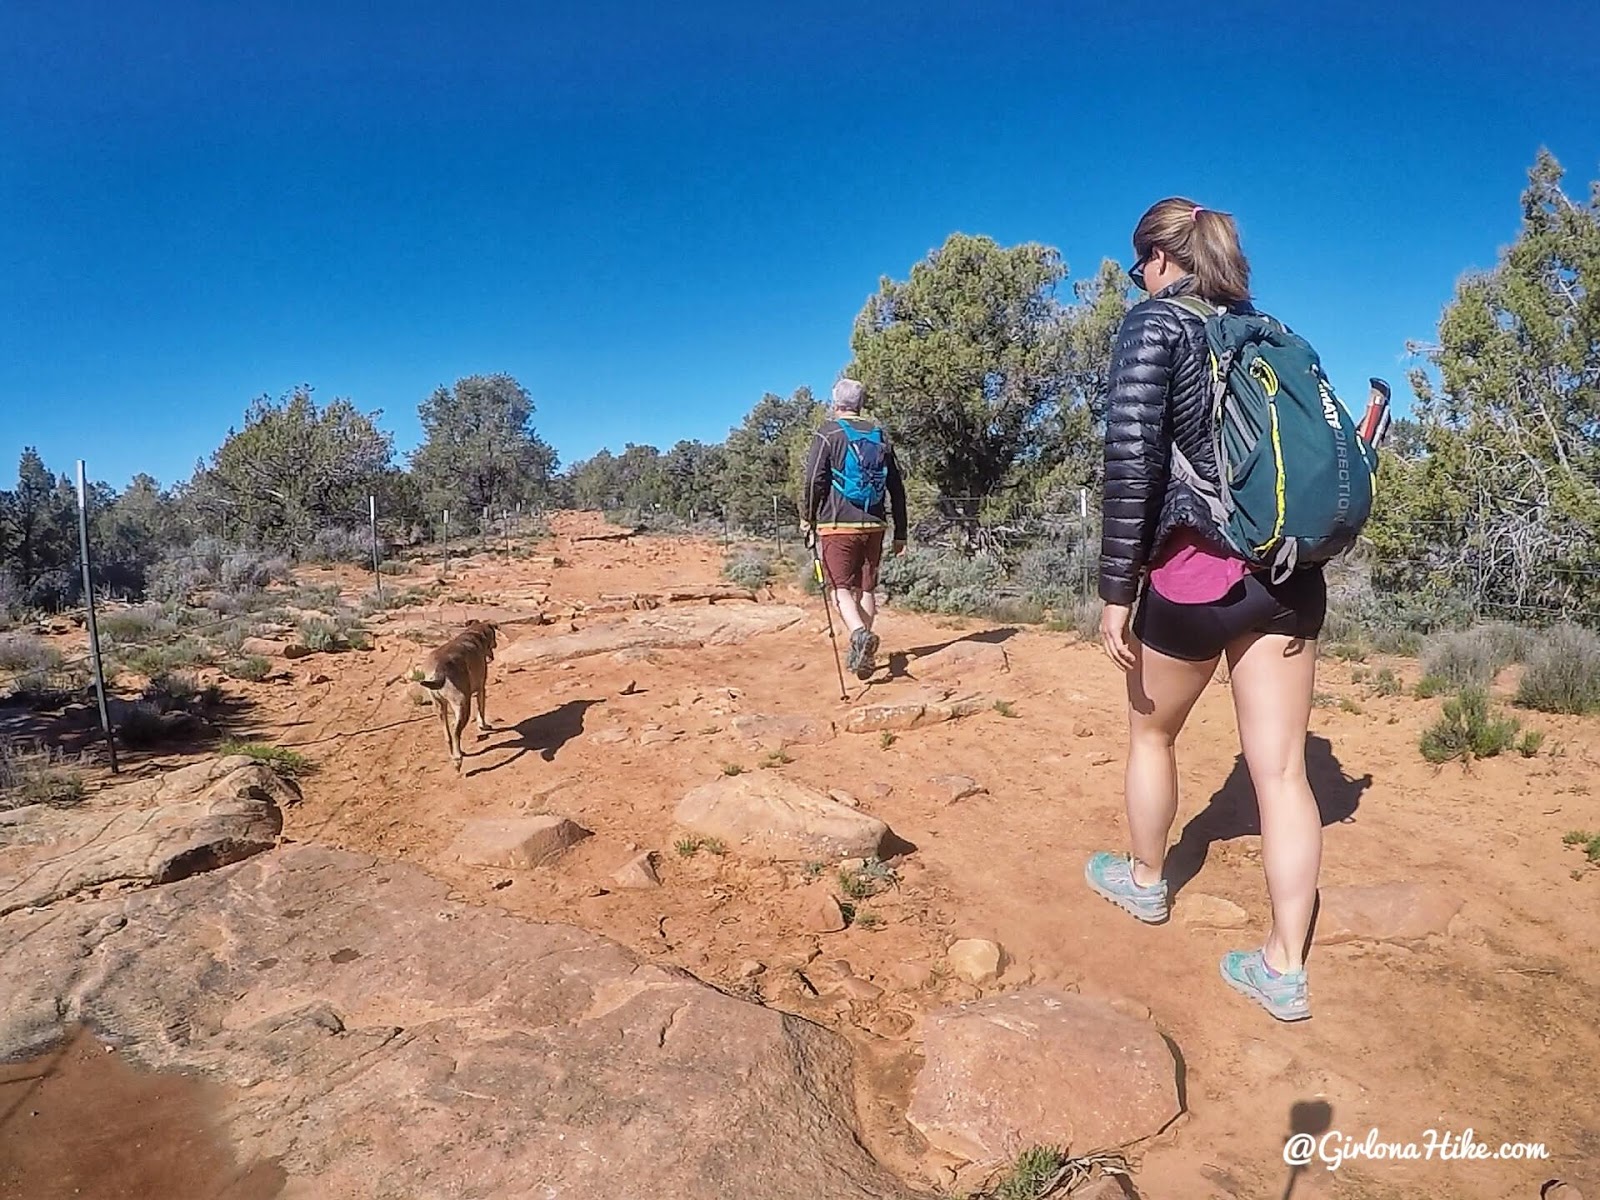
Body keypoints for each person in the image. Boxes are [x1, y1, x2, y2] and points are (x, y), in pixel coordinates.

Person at [1082, 198, 1328, 1023]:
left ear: (1159, 257)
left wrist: (1117, 592)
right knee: (1285, 774)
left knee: (1152, 733)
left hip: (1193, 575)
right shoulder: (1269, 330)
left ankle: (1147, 881)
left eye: (1135, 263)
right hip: (1287, 575)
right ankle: (1284, 967)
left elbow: (1131, 462)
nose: (1136, 277)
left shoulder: (1154, 326)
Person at [802, 377, 908, 680]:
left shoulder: (828, 433)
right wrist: (901, 531)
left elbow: (813, 481)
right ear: (861, 404)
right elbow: (897, 487)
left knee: (839, 588)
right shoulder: (879, 436)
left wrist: (807, 519)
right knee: (867, 588)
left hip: (837, 524)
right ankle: (862, 653)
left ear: (836, 403)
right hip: (875, 525)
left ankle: (860, 634)